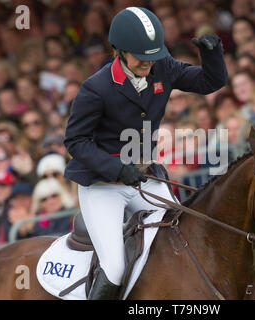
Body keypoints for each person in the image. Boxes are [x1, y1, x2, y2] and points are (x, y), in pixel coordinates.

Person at [63, 7, 227, 300]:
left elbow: (208, 82)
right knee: (114, 268)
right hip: (104, 186)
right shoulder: (95, 88)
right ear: (120, 51)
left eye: (153, 56)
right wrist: (116, 170)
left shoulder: (162, 65)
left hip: (145, 178)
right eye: (141, 57)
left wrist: (212, 55)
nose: (149, 64)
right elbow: (76, 141)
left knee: (179, 242)